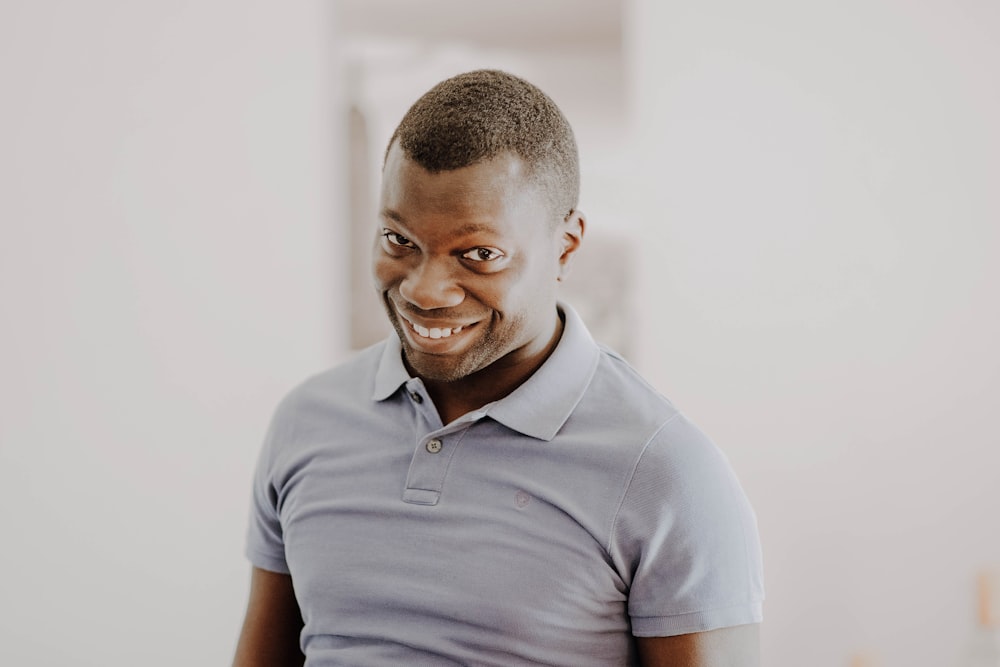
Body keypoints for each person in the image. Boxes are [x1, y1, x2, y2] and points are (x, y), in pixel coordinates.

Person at [233, 69, 764, 667]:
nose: (426, 289)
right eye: (398, 239)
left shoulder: (667, 472)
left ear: (566, 246)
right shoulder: (308, 420)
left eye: (479, 254)